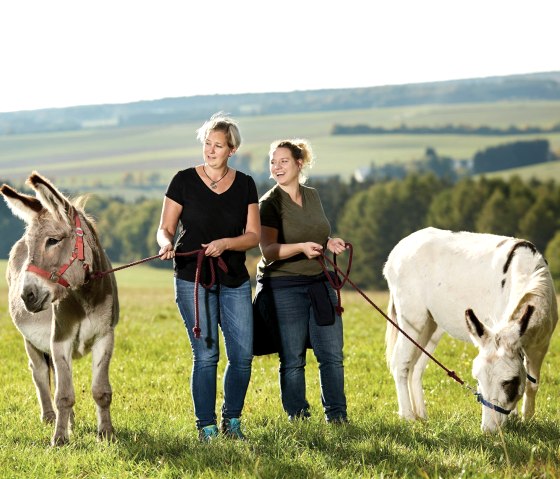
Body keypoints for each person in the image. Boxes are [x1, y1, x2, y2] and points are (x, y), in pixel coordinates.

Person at [156, 112, 260, 441]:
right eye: (207, 144)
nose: (210, 150)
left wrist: (227, 243)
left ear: (232, 150)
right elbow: (165, 228)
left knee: (242, 355)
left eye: (218, 145)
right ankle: (207, 427)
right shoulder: (183, 180)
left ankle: (232, 421)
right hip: (192, 277)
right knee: (206, 354)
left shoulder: (245, 184)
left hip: (234, 279)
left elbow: (253, 235)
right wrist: (166, 244)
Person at [255, 138, 348, 424]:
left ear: (299, 163)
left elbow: (316, 231)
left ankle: (337, 416)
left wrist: (328, 242)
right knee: (293, 358)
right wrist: (301, 248)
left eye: (283, 161)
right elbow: (268, 251)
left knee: (331, 353)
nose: (277, 167)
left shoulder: (312, 196)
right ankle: (299, 418)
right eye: (273, 162)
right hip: (284, 286)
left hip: (319, 281)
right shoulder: (269, 204)